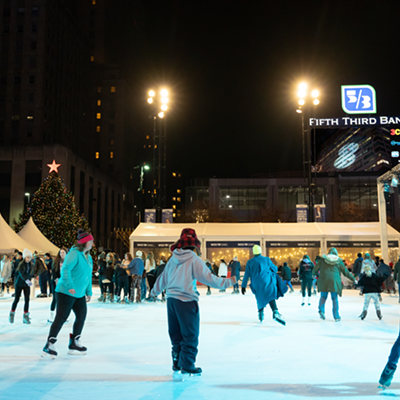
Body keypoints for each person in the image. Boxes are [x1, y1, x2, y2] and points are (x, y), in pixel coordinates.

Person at [150, 228, 236, 378]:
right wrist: (230, 281)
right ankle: (187, 365)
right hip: (187, 301)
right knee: (190, 334)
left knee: (176, 334)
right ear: (195, 245)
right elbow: (210, 279)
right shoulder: (194, 259)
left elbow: (163, 278)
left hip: (171, 301)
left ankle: (177, 362)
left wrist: (153, 292)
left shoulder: (173, 259)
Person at [42, 229, 94, 358]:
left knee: (81, 316)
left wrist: (88, 291)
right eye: (91, 241)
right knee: (61, 317)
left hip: (79, 293)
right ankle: (49, 344)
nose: (92, 243)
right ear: (85, 242)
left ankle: (74, 343)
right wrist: (70, 286)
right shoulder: (74, 254)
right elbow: (65, 269)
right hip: (66, 292)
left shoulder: (88, 257)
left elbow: (87, 276)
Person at [241, 245, 286, 325]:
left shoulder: (250, 262)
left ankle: (261, 313)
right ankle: (275, 311)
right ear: (260, 251)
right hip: (267, 281)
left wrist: (243, 286)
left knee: (259, 297)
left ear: (254, 252)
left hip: (256, 284)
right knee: (270, 296)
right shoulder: (267, 259)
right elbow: (275, 269)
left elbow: (246, 275)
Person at [312, 247, 355, 322]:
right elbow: (346, 272)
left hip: (324, 280)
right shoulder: (338, 261)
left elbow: (315, 269)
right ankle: (336, 316)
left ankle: (321, 310)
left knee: (323, 297)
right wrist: (353, 279)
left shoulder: (323, 260)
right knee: (334, 298)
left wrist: (313, 274)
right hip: (334, 281)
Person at [9, 249, 34, 324]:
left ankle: (25, 316)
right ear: (24, 257)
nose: (28, 259)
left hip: (26, 284)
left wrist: (32, 276)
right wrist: (27, 280)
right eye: (27, 257)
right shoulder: (21, 264)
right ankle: (12, 313)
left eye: (29, 258)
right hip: (19, 284)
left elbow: (30, 273)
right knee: (16, 299)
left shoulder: (31, 265)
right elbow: (21, 273)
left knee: (27, 300)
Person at [48, 248, 67, 323]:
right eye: (61, 252)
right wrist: (56, 279)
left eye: (63, 252)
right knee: (55, 299)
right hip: (56, 282)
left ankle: (63, 316)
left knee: (64, 300)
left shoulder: (68, 262)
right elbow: (54, 271)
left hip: (65, 283)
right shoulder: (56, 261)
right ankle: (51, 315)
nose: (62, 254)